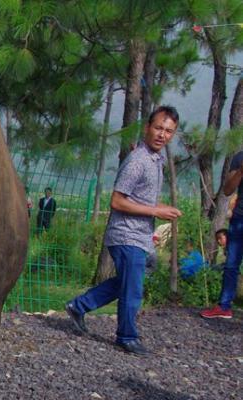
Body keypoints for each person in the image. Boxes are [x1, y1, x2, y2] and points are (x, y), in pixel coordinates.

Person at [65, 106, 182, 355]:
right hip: (126, 234)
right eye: (158, 128)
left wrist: (162, 208)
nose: (162, 135)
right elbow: (117, 201)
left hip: (140, 236)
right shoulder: (138, 160)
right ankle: (126, 337)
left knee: (136, 277)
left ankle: (80, 305)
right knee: (133, 287)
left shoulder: (156, 160)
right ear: (147, 128)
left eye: (168, 131)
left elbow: (142, 200)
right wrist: (155, 212)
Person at [200, 148, 243, 319]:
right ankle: (224, 306)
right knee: (231, 264)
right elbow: (227, 190)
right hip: (239, 218)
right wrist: (240, 171)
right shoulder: (239, 157)